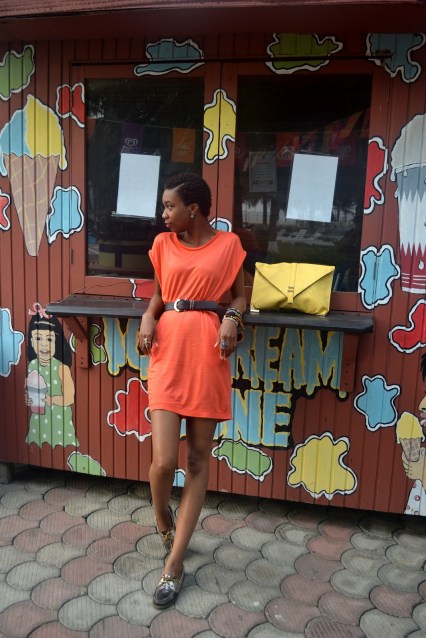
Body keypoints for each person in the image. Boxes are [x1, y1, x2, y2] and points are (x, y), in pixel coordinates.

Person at [138, 173, 246, 609]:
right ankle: (162, 515)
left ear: (193, 209)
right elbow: (157, 299)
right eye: (164, 206)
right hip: (168, 353)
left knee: (198, 460)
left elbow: (240, 297)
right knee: (164, 462)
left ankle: (175, 563)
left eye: (170, 206)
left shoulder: (229, 245)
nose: (164, 214)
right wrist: (147, 319)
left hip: (207, 356)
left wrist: (231, 319)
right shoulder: (163, 245)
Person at [25, 305, 78, 448]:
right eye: (38, 338)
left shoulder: (61, 368)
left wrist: (51, 400)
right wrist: (28, 398)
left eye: (49, 339)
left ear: (57, 342)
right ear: (31, 341)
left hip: (59, 421)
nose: (43, 344)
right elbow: (29, 389)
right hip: (38, 421)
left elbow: (69, 398)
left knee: (60, 445)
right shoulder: (32, 366)